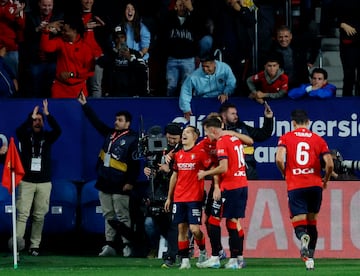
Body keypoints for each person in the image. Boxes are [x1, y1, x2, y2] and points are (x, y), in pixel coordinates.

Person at [78, 91, 140, 257]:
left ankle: (127, 245)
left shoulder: (133, 139)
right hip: (105, 181)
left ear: (128, 123)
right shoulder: (110, 134)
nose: (116, 122)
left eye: (120, 120)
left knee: (122, 215)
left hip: (121, 182)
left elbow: (135, 163)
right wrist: (85, 106)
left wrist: (130, 181)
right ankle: (109, 245)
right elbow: (96, 123)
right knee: (108, 215)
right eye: (116, 119)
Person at [275, 109, 334, 270]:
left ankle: (303, 237)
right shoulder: (318, 139)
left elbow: (279, 158)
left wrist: (284, 172)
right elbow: (329, 164)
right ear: (308, 123)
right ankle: (311, 259)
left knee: (299, 225)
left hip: (296, 185)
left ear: (293, 123)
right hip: (315, 185)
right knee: (312, 222)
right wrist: (326, 180)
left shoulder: (286, 138)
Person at [197, 116, 249, 269]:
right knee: (232, 222)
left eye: (207, 132)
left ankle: (215, 258)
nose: (207, 136)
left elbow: (223, 167)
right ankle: (235, 259)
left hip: (230, 186)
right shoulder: (234, 139)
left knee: (213, 220)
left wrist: (204, 174)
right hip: (242, 184)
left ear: (213, 129)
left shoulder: (221, 141)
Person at [14, 99, 61, 256]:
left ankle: (34, 245)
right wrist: (30, 118)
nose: (37, 122)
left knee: (39, 215)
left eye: (40, 120)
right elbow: (19, 131)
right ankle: (18, 244)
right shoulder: (26, 137)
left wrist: (48, 114)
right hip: (26, 181)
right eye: (35, 120)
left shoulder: (47, 137)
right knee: (22, 214)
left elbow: (58, 131)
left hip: (44, 182)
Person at [164, 125, 211, 269]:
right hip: (179, 198)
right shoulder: (178, 154)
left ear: (195, 137)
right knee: (181, 229)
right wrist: (169, 197)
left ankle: (203, 251)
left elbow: (212, 168)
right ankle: (185, 260)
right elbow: (174, 175)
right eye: (183, 133)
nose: (184, 135)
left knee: (195, 229)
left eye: (188, 133)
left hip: (194, 198)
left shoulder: (200, 153)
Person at [142, 122, 182, 266]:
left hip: (176, 192)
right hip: (158, 192)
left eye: (175, 139)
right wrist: (148, 170)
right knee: (159, 224)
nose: (171, 141)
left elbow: (184, 173)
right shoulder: (158, 147)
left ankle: (172, 255)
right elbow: (152, 165)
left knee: (173, 225)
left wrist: (169, 170)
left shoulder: (183, 150)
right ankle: (174, 249)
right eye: (169, 138)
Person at [40, 14, 95, 98]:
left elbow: (90, 71)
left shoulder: (86, 47)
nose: (62, 33)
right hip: (59, 88)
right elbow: (46, 47)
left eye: (65, 31)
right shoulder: (60, 41)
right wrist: (46, 31)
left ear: (74, 31)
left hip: (78, 89)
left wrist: (72, 75)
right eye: (62, 30)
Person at [219, 102, 273, 179]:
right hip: (228, 170)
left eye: (236, 113)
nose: (236, 116)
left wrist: (268, 119)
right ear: (224, 116)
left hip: (247, 169)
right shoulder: (219, 131)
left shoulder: (242, 127)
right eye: (233, 114)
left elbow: (263, 135)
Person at [22, 0, 63, 98]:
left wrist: (55, 31)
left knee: (51, 88)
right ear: (39, 4)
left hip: (53, 59)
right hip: (36, 59)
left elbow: (64, 34)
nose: (47, 8)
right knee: (35, 88)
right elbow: (25, 36)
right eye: (44, 5)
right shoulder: (30, 16)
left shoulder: (59, 16)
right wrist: (37, 29)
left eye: (50, 5)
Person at [179, 53, 236, 121]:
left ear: (214, 63)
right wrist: (186, 109)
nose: (205, 69)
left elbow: (232, 82)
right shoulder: (194, 76)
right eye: (203, 66)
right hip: (203, 101)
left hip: (221, 100)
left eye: (207, 66)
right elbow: (185, 91)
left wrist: (226, 92)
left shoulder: (225, 68)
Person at [160, 0, 199, 97]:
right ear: (175, 7)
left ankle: (187, 108)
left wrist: (191, 9)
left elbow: (201, 26)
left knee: (187, 87)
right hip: (172, 58)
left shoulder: (193, 19)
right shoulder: (169, 19)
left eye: (184, 5)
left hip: (188, 59)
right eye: (179, 5)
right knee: (171, 87)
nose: (182, 7)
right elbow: (163, 17)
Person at [269, 25, 319, 89]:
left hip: (301, 83)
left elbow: (316, 42)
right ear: (277, 37)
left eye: (286, 36)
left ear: (291, 36)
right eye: (280, 37)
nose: (283, 39)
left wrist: (311, 61)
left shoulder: (298, 45)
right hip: (282, 86)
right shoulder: (272, 50)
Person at [333, 0, 360, 96]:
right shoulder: (338, 2)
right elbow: (330, 18)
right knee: (349, 75)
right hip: (348, 43)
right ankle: (346, 103)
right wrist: (342, 24)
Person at [81, 0, 106, 98]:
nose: (88, 1)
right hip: (80, 57)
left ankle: (96, 111)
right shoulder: (75, 16)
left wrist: (103, 26)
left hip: (96, 56)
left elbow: (107, 35)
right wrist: (84, 27)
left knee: (96, 86)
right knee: (80, 85)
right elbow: (70, 32)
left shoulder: (99, 15)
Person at [0, 0, 25, 80]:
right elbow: (3, 13)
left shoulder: (14, 6)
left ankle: (14, 91)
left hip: (10, 47)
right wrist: (12, 14)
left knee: (13, 76)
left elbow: (21, 25)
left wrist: (18, 14)